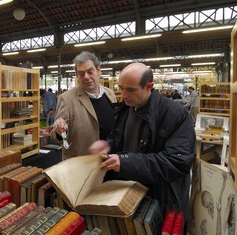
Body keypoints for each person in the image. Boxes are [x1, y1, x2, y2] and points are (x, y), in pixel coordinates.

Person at [89, 63, 195, 225]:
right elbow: (119, 138)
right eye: (121, 88)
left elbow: (177, 162)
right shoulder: (126, 109)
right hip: (129, 195)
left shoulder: (174, 114)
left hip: (160, 201)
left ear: (149, 87)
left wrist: (125, 162)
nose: (123, 95)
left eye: (130, 90)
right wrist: (107, 145)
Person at [51, 51, 117, 160]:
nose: (86, 77)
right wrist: (60, 131)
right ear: (77, 76)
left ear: (99, 71)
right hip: (81, 163)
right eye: (81, 74)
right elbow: (55, 135)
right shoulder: (67, 99)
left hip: (110, 159)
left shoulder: (110, 94)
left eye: (90, 72)